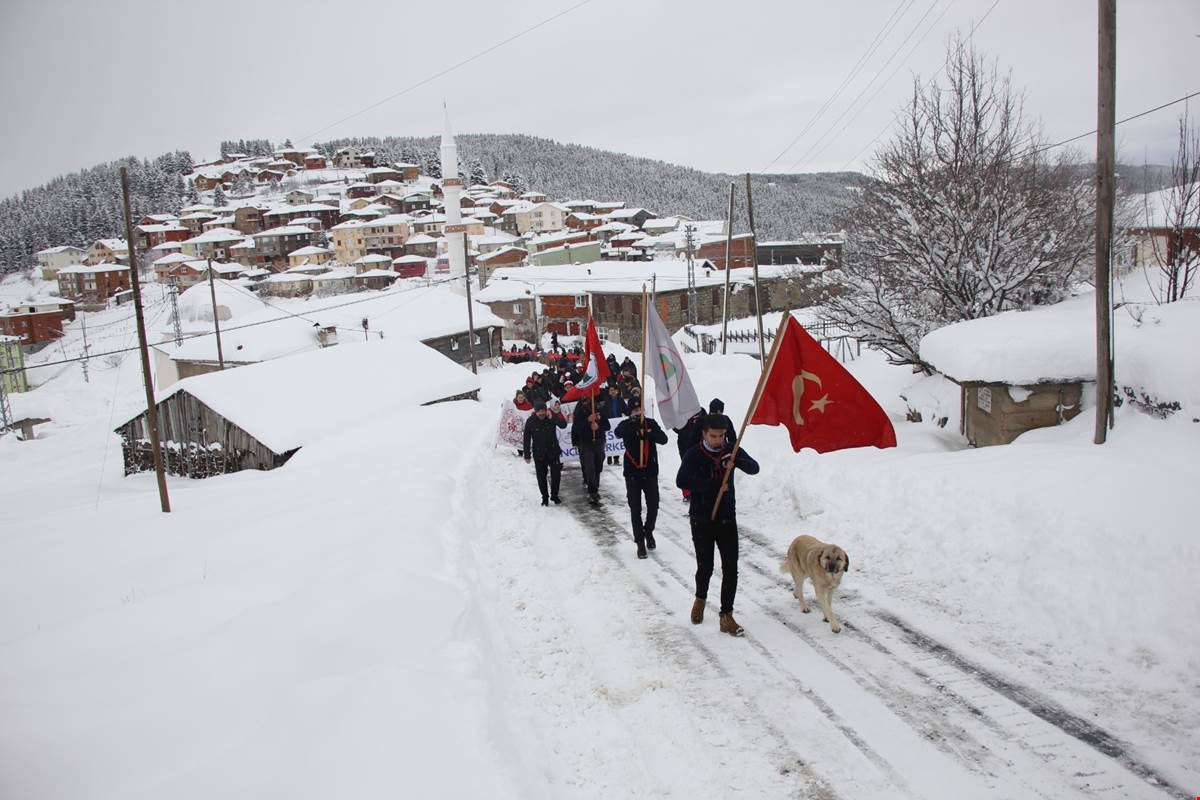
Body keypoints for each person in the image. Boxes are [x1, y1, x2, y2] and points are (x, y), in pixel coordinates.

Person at [676, 416, 759, 637]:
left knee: (731, 568)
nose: (718, 440)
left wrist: (738, 461)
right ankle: (700, 598)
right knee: (706, 566)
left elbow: (755, 468)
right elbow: (681, 481)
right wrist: (709, 485)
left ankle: (726, 615)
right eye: (713, 436)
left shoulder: (731, 449)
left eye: (721, 435)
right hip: (702, 519)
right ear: (704, 433)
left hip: (726, 518)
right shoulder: (694, 454)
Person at [614, 398, 668, 559]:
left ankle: (648, 530)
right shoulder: (626, 424)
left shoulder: (650, 423)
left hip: (650, 472)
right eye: (634, 411)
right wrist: (632, 425)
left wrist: (649, 434)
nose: (638, 413)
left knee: (653, 505)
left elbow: (663, 439)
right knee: (635, 508)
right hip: (632, 473)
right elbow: (618, 433)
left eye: (640, 410)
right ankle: (640, 543)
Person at [524, 401, 567, 506]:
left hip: (553, 452)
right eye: (539, 411)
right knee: (541, 477)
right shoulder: (530, 421)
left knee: (556, 475)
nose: (542, 413)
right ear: (536, 412)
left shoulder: (551, 418)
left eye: (543, 411)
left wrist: (553, 417)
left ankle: (554, 495)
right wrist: (527, 455)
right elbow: (526, 438)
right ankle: (545, 497)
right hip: (539, 454)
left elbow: (563, 425)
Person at [571, 397, 610, 505]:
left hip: (599, 441)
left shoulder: (599, 408)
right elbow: (576, 427)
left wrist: (598, 425)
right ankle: (592, 491)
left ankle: (595, 486)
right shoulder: (579, 409)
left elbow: (607, 425)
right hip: (586, 442)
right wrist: (587, 421)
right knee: (590, 467)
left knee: (598, 466)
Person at [673, 406, 706, 501]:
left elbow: (706, 424)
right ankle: (687, 493)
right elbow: (676, 428)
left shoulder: (700, 410)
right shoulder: (680, 412)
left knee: (700, 468)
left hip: (698, 443)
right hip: (684, 443)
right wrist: (685, 425)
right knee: (686, 467)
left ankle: (700, 490)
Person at [600, 384, 628, 465]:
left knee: (616, 439)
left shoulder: (620, 400)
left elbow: (625, 410)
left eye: (614, 390)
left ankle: (616, 458)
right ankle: (609, 457)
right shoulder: (606, 400)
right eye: (611, 390)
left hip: (617, 422)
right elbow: (602, 411)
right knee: (609, 440)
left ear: (617, 391)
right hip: (608, 423)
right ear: (609, 392)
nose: (612, 392)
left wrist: (629, 414)